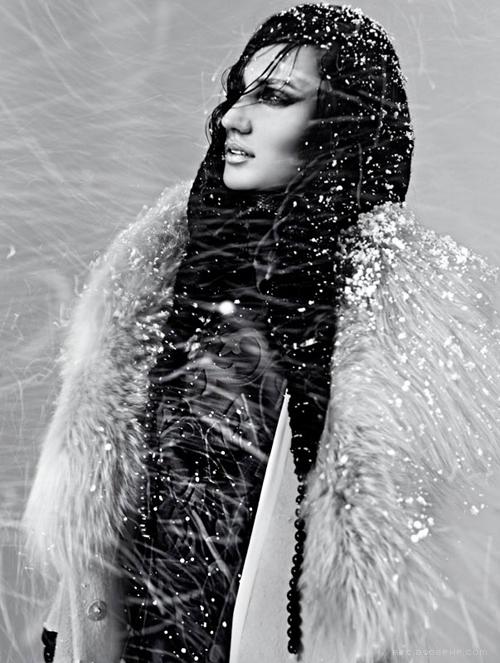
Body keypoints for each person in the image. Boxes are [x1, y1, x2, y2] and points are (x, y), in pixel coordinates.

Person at [22, 3, 500, 663]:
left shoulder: (405, 326)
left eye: (275, 96)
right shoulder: (157, 281)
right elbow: (108, 518)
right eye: (238, 92)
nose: (232, 117)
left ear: (340, 126)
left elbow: (418, 580)